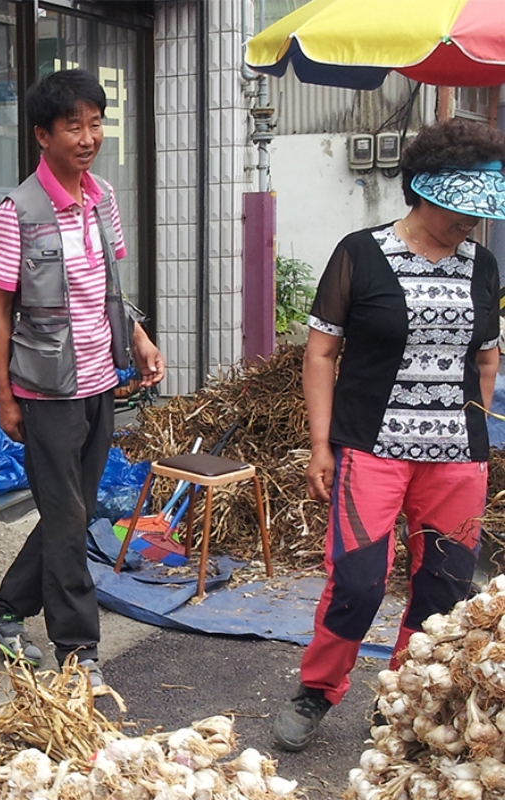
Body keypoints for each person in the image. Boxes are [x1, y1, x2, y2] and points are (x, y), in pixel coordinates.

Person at [273, 118, 505, 752]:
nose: (474, 224)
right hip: (370, 451)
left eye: (480, 212)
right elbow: (320, 354)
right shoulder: (360, 253)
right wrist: (322, 446)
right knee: (356, 582)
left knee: (444, 590)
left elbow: (487, 359)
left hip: (457, 461)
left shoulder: (481, 265)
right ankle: (317, 691)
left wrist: (466, 432)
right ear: (423, 193)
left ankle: (404, 699)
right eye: (461, 210)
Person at [0, 70, 165, 688]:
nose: (88, 137)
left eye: (95, 122)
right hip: (45, 388)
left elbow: (109, 288)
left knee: (71, 515)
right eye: (73, 126)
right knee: (65, 517)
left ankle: (2, 610)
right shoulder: (18, 213)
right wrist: (4, 395)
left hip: (98, 380)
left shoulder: (102, 197)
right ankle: (78, 650)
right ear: (42, 135)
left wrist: (137, 337)